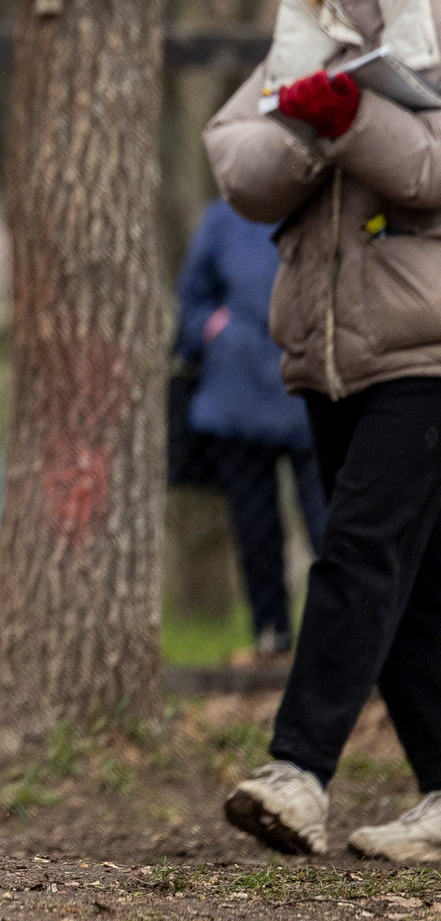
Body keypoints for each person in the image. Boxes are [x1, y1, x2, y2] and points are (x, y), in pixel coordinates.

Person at [204, 0, 441, 863]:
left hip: (424, 350)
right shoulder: (304, 37)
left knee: (353, 555)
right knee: (409, 585)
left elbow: (431, 172)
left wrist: (354, 122)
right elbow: (235, 167)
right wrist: (307, 125)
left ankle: (297, 771)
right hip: (326, 352)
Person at [172, 199, 327, 656]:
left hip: (313, 396)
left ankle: (346, 645)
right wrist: (214, 330)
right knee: (256, 532)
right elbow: (192, 301)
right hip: (235, 399)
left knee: (332, 530)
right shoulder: (223, 218)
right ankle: (272, 640)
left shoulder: (325, 208)